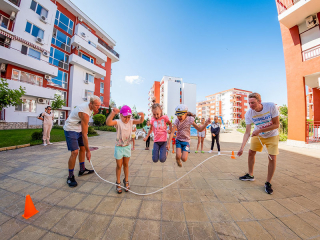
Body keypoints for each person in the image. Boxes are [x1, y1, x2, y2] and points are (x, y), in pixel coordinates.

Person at [237, 93, 280, 195]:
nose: (250, 105)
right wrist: (242, 147)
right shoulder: (249, 113)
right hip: (258, 135)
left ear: (259, 101)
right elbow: (247, 132)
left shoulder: (270, 106)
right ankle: (250, 175)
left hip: (272, 135)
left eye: (253, 103)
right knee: (251, 153)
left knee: (272, 158)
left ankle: (268, 183)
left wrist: (260, 130)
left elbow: (276, 124)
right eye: (249, 103)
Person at [63, 96, 101, 187]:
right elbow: (85, 135)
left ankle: (82, 169)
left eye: (99, 105)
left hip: (78, 128)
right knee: (75, 152)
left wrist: (86, 149)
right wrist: (89, 151)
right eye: (96, 105)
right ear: (91, 103)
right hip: (71, 129)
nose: (98, 107)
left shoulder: (90, 108)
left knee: (82, 148)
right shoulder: (85, 113)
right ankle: (70, 177)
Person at [106, 105, 144, 194]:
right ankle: (118, 182)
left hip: (127, 146)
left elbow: (140, 121)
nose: (126, 119)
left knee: (126, 164)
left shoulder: (131, 121)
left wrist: (142, 116)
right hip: (119, 147)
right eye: (124, 117)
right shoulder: (118, 122)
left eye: (128, 117)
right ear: (120, 115)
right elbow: (108, 122)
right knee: (119, 165)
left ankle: (126, 180)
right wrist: (112, 113)